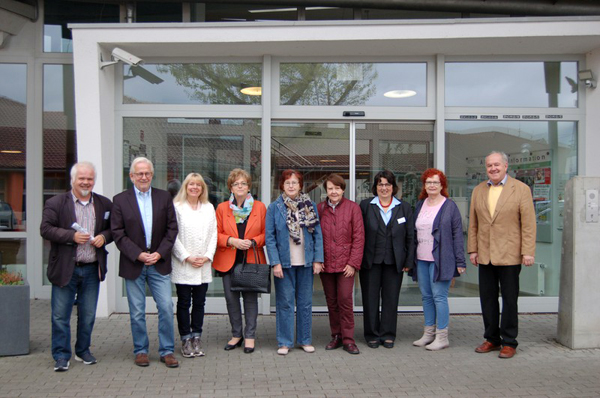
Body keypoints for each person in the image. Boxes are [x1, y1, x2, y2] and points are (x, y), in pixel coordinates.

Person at [40, 162, 113, 372]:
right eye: (82, 178)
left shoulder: (104, 204)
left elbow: (113, 230)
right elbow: (45, 229)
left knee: (88, 314)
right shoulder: (56, 202)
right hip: (65, 268)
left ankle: (83, 350)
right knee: (60, 315)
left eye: (89, 179)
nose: (86, 182)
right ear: (73, 179)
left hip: (91, 267)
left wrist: (103, 237)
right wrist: (71, 236)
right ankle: (61, 355)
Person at [111, 157, 179, 368]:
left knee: (167, 307)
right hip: (134, 263)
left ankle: (167, 350)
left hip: (159, 262)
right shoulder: (120, 200)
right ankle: (141, 350)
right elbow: (117, 233)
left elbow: (172, 229)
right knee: (137, 311)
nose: (143, 176)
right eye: (139, 173)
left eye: (147, 173)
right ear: (131, 176)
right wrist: (138, 254)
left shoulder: (164, 197)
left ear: (152, 174)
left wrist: (159, 253)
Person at [468, 151, 536, 359]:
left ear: (506, 166)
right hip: (486, 254)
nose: (493, 169)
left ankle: (509, 342)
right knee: (487, 299)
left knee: (509, 299)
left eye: (497, 165)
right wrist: (473, 249)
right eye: (489, 165)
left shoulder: (521, 189)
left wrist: (528, 252)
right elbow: (473, 223)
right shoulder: (478, 190)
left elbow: (528, 224)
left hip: (510, 254)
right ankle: (492, 339)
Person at [266, 169, 324, 355]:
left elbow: (317, 235)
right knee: (285, 303)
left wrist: (317, 259)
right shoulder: (274, 207)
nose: (291, 186)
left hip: (305, 262)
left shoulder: (310, 206)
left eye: (295, 182)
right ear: (282, 185)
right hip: (284, 263)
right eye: (287, 182)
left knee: (305, 303)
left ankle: (305, 340)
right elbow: (270, 238)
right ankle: (284, 342)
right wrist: (275, 262)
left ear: (300, 185)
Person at [213, 169, 267, 354]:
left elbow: (266, 234)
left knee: (250, 300)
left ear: (248, 186)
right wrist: (231, 241)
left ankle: (250, 336)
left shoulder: (259, 207)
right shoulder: (222, 208)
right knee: (231, 299)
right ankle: (236, 334)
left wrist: (253, 242)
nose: (240, 187)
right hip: (228, 258)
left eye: (243, 183)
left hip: (251, 258)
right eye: (236, 184)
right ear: (231, 187)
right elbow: (216, 234)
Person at [411, 168, 466, 351]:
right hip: (422, 258)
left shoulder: (449, 206)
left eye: (435, 182)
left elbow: (457, 235)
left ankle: (442, 336)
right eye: (428, 182)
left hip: (441, 260)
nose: (432, 185)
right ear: (424, 185)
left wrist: (460, 261)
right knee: (426, 297)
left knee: (439, 297)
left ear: (442, 185)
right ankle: (428, 334)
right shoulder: (420, 204)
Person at [359, 170, 414, 349]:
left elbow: (410, 237)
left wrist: (408, 261)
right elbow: (359, 235)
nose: (384, 188)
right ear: (375, 187)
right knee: (370, 299)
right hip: (370, 261)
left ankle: (388, 334)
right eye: (380, 184)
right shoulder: (366, 206)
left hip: (394, 262)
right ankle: (372, 334)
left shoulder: (404, 207)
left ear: (393, 187)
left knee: (391, 299)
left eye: (388, 184)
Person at [317, 174, 364, 355]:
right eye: (330, 188)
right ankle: (336, 335)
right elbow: (316, 237)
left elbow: (359, 238)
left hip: (346, 265)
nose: (334, 192)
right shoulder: (320, 209)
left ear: (343, 189)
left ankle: (348, 339)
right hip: (326, 265)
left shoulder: (353, 208)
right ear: (326, 191)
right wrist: (318, 259)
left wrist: (353, 263)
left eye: (337, 188)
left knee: (345, 300)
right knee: (332, 302)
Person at [171, 173, 217, 358]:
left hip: (203, 264)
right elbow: (172, 235)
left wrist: (207, 256)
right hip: (184, 263)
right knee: (183, 303)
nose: (195, 187)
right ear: (185, 187)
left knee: (199, 303)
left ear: (202, 188)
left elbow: (214, 233)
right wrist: (186, 256)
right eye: (191, 184)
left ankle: (196, 337)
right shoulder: (177, 207)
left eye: (198, 185)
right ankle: (185, 338)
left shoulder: (208, 207)